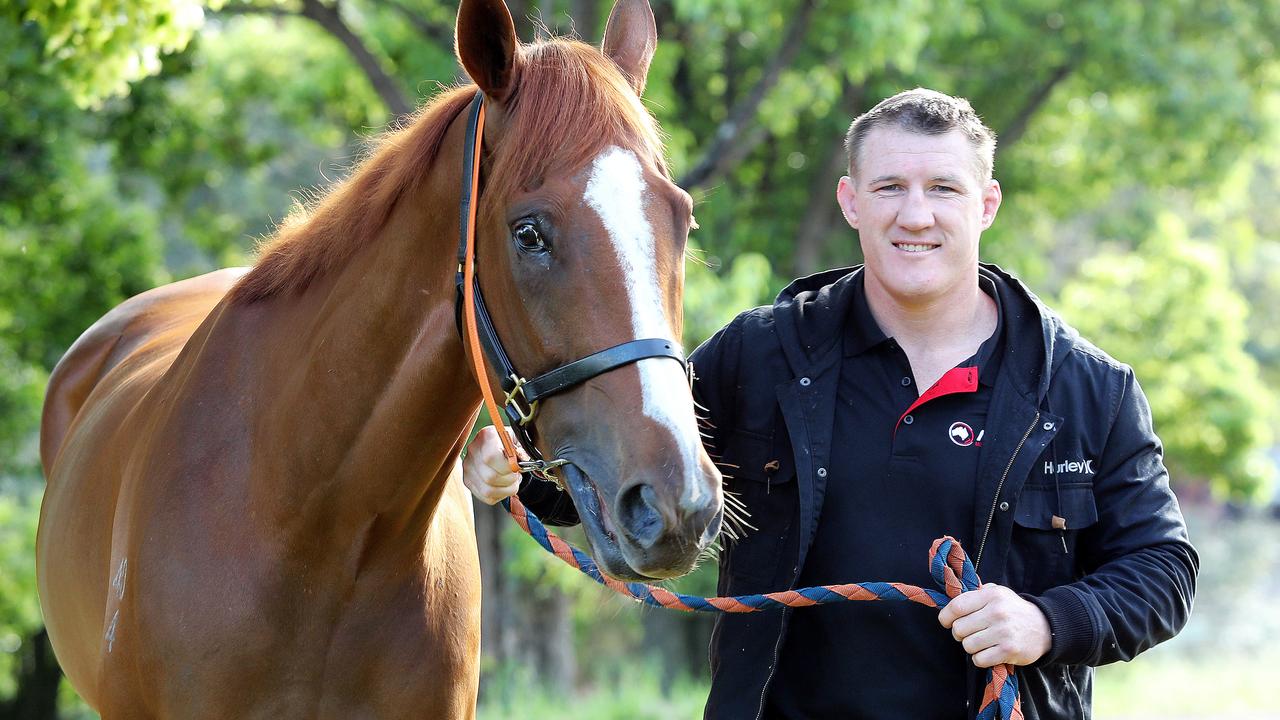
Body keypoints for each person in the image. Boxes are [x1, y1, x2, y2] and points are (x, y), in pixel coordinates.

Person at [462, 88, 1198, 720]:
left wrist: (1047, 620)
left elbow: (1163, 569)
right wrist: (519, 473)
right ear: (851, 201)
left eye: (943, 188)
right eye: (889, 188)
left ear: (987, 204)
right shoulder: (759, 356)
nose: (915, 216)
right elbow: (640, 466)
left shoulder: (1086, 389)